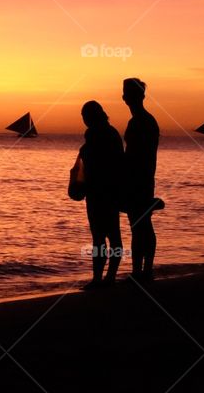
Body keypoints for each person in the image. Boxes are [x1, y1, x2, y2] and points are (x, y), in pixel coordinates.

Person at [77, 100, 124, 289]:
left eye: (85, 116)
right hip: (106, 191)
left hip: (101, 191)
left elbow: (101, 162)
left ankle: (102, 278)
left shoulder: (98, 135)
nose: (84, 120)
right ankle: (106, 277)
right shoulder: (110, 133)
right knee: (109, 236)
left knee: (102, 237)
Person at [122, 78, 159, 282]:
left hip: (140, 180)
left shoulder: (141, 121)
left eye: (128, 92)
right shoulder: (142, 120)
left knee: (139, 225)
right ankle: (143, 270)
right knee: (141, 224)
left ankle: (142, 271)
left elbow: (137, 155)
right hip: (141, 179)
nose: (125, 96)